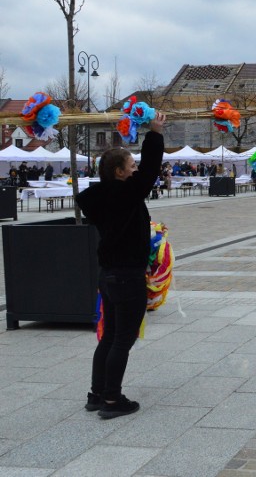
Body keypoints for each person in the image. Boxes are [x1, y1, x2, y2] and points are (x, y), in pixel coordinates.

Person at [75, 112, 166, 419]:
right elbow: (152, 169)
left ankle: (97, 392)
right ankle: (112, 399)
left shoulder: (100, 197)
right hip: (127, 276)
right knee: (122, 340)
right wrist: (154, 133)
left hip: (109, 275)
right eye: (131, 166)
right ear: (119, 172)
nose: (136, 170)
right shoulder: (126, 194)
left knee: (110, 336)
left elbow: (146, 172)